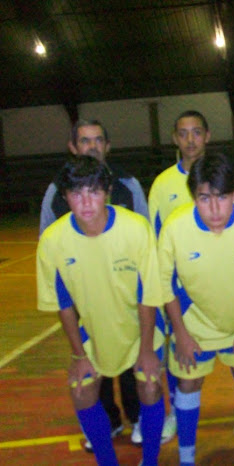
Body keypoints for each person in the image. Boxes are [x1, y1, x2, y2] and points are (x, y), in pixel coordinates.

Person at [37, 119, 171, 450]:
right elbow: (63, 303)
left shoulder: (135, 227)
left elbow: (148, 293)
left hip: (136, 324)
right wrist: (77, 355)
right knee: (81, 387)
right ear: (65, 196)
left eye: (94, 192)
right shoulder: (53, 241)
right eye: (77, 193)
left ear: (107, 192)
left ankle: (149, 455)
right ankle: (106, 451)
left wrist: (145, 351)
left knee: (149, 382)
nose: (85, 202)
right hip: (92, 323)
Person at [157, 152, 234, 466]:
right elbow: (165, 285)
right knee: (189, 382)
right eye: (204, 198)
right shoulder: (175, 228)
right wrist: (179, 334)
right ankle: (186, 459)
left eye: (222, 198)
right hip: (193, 326)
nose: (214, 209)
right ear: (193, 197)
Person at [148, 109, 211, 436]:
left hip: (217, 281)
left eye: (197, 132)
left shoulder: (225, 177)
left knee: (231, 340)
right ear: (175, 138)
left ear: (208, 136)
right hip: (179, 288)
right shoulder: (162, 184)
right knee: (178, 349)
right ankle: (174, 409)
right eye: (183, 133)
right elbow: (156, 240)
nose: (190, 139)